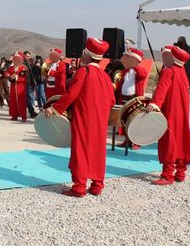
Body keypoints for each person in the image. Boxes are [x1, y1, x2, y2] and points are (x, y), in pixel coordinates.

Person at [44, 37, 115, 197]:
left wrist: (55, 108)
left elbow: (71, 94)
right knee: (98, 151)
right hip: (100, 120)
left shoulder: (84, 72)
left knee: (81, 151)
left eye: (83, 53)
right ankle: (97, 186)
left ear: (88, 55)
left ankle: (79, 187)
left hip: (84, 118)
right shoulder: (105, 76)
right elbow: (112, 100)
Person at [146, 46, 190, 185]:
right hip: (182, 113)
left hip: (170, 112)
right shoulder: (182, 72)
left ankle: (167, 175)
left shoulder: (169, 71)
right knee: (180, 141)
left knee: (169, 142)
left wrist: (155, 104)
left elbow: (162, 89)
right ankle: (180, 172)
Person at [116, 47, 148, 150]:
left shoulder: (139, 70)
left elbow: (143, 74)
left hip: (134, 98)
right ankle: (127, 140)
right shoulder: (126, 71)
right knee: (125, 121)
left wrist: (134, 63)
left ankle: (136, 142)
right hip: (124, 99)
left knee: (135, 121)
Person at [6, 51, 28, 122]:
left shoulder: (23, 68)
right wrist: (9, 75)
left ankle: (23, 116)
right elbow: (6, 72)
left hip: (21, 87)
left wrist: (17, 77)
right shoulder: (11, 67)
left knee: (21, 101)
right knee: (13, 101)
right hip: (13, 86)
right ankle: (14, 115)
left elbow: (25, 78)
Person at [23, 51, 38, 118]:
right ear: (24, 56)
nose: (29, 57)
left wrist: (35, 66)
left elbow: (32, 73)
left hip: (30, 82)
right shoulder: (22, 62)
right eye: (27, 56)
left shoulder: (29, 63)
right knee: (29, 98)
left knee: (30, 98)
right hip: (25, 82)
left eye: (29, 56)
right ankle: (31, 112)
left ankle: (31, 111)